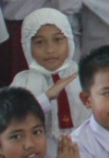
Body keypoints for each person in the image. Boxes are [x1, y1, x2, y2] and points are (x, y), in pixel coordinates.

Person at [11, 9, 89, 137]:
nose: (50, 50)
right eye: (40, 42)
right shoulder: (22, 82)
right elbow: (13, 121)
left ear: (69, 41)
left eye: (58, 40)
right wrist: (45, 98)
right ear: (28, 46)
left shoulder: (84, 76)